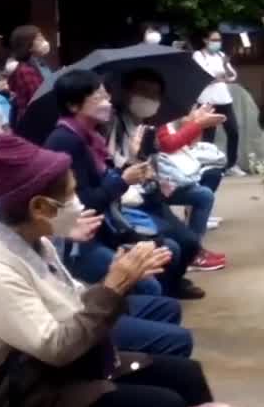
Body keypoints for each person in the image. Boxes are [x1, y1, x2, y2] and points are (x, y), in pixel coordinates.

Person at [0, 133, 242, 407]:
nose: (78, 202)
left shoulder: (32, 243)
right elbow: (56, 348)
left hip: (59, 373)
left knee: (186, 374)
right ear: (40, 207)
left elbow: (74, 302)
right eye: (70, 195)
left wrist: (118, 281)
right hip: (27, 399)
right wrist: (114, 286)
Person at [0, 109, 193, 356]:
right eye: (2, 134)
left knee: (164, 306)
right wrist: (108, 283)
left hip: (63, 300)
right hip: (42, 336)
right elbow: (33, 321)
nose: (13, 138)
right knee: (174, 344)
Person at [43, 70, 204, 300]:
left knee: (172, 248)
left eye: (106, 96)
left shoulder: (90, 137)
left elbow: (108, 182)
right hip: (81, 241)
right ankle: (142, 318)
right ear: (73, 105)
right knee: (151, 281)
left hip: (108, 226)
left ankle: (158, 307)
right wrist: (122, 180)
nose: (107, 103)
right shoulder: (65, 141)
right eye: (98, 98)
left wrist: (130, 164)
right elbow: (85, 203)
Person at [111, 68, 228, 270]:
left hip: (154, 185)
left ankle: (192, 253)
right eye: (145, 93)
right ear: (129, 93)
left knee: (207, 187)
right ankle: (191, 255)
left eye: (155, 94)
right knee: (179, 238)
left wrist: (192, 122)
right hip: (133, 196)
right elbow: (168, 145)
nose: (151, 99)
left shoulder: (156, 117)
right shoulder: (117, 124)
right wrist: (196, 124)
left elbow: (169, 148)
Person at [193, 31, 242, 174]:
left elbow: (232, 76)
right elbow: (204, 76)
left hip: (224, 99)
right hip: (207, 101)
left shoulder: (221, 56)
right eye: (213, 39)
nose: (217, 42)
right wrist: (219, 77)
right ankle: (208, 167)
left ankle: (231, 165)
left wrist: (225, 67)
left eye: (219, 40)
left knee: (233, 131)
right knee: (208, 136)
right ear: (205, 39)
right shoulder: (199, 55)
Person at [7, 25, 51, 125]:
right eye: (39, 38)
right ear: (28, 45)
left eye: (43, 37)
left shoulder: (41, 63)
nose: (44, 41)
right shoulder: (25, 70)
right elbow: (38, 97)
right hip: (35, 121)